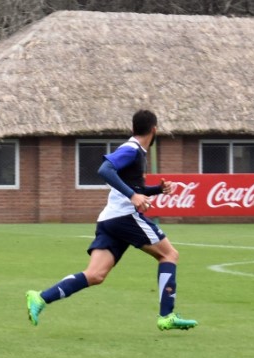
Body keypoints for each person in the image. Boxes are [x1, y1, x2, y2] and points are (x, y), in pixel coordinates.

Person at [25, 109, 198, 331]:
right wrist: (133, 196)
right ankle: (167, 315)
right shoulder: (132, 149)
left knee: (95, 275)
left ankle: (40, 298)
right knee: (169, 255)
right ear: (154, 130)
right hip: (125, 218)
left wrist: (157, 190)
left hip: (109, 220)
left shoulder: (136, 151)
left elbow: (132, 187)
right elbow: (105, 169)